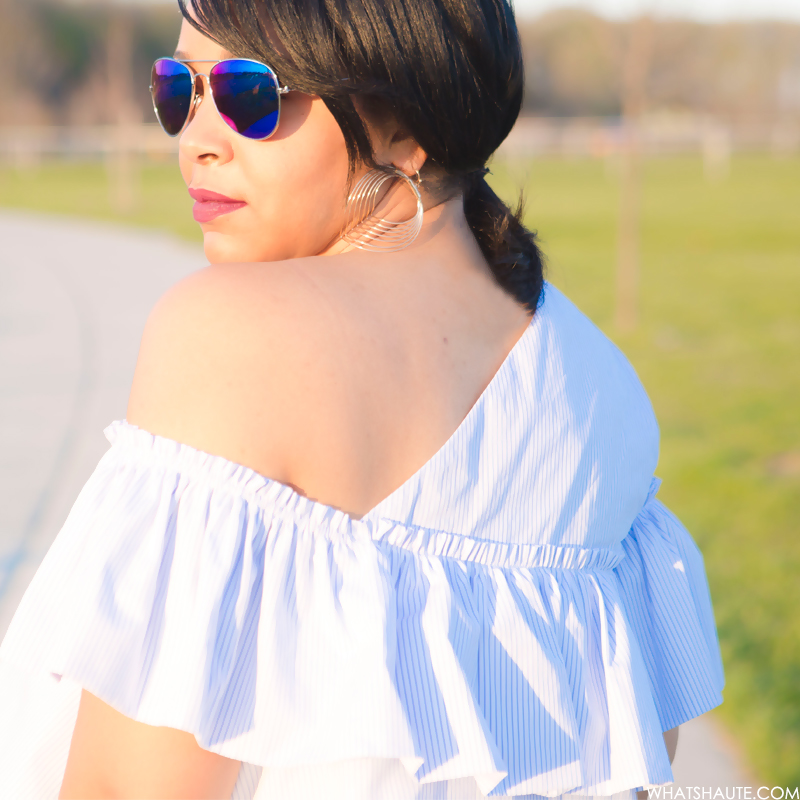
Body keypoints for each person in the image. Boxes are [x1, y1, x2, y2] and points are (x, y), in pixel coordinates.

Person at [0, 0, 724, 798]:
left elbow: (123, 788)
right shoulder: (609, 394)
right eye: (179, 90)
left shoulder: (231, 336)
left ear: (406, 128)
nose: (196, 140)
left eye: (249, 93)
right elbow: (643, 758)